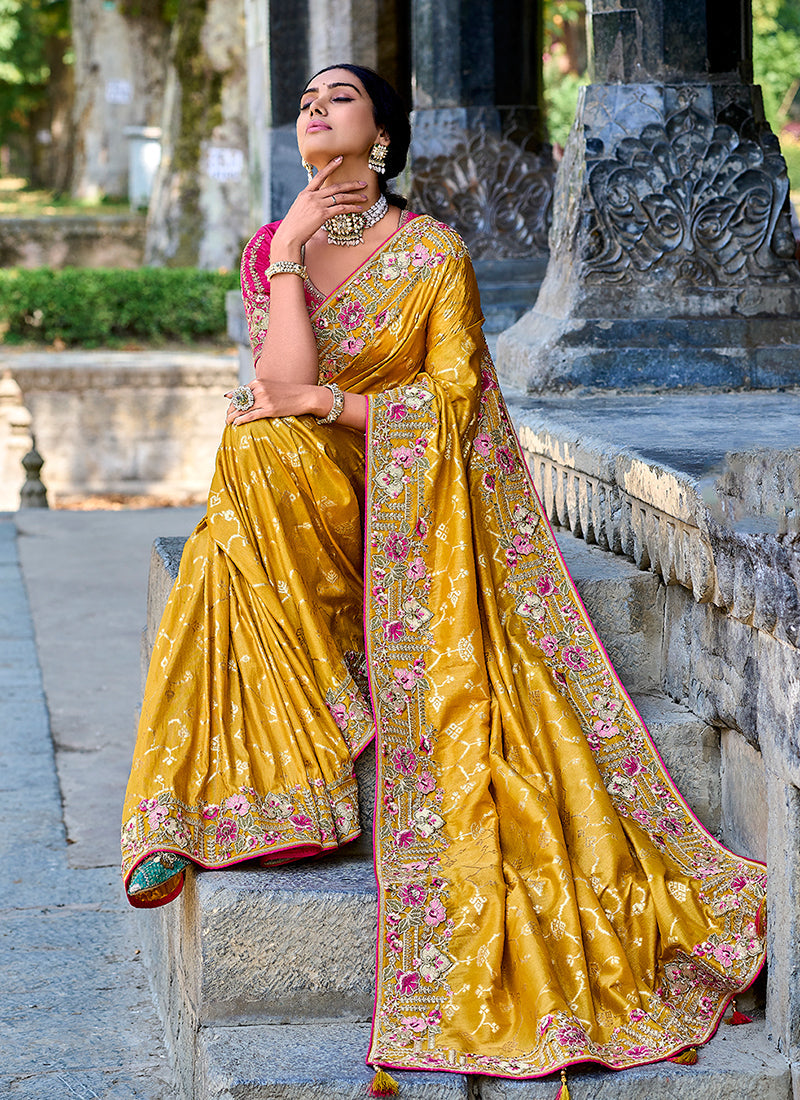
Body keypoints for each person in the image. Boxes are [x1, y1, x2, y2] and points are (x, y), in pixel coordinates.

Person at [122, 64, 766, 1093]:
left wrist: (326, 403)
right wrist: (288, 255)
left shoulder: (431, 254)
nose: (313, 110)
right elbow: (277, 382)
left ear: (382, 134)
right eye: (304, 103)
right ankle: (266, 784)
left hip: (406, 492)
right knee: (247, 469)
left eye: (337, 98)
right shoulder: (268, 246)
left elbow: (453, 407)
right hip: (303, 486)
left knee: (243, 490)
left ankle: (271, 762)